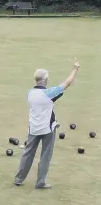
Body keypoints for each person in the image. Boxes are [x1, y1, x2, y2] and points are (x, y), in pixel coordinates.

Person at [14, 59, 80, 189]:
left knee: (27, 153)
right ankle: (40, 182)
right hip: (47, 130)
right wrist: (75, 69)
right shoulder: (49, 93)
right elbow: (67, 83)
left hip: (33, 128)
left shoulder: (30, 93)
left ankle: (19, 178)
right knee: (45, 155)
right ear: (46, 80)